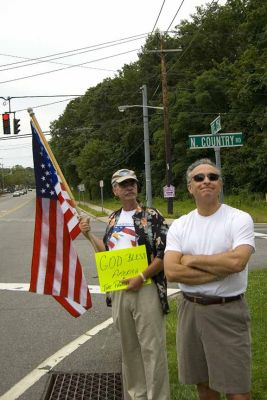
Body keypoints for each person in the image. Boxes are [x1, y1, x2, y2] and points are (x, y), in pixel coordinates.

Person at [164, 158, 255, 400]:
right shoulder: (180, 225)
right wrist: (220, 267)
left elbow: (238, 262)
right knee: (203, 385)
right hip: (190, 310)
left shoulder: (239, 219)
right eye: (199, 178)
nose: (206, 181)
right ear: (190, 187)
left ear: (220, 184)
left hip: (228, 311)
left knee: (237, 390)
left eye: (213, 177)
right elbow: (172, 271)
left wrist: (192, 260)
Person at [79, 168, 170, 400]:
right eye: (124, 184)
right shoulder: (113, 218)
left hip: (146, 287)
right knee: (129, 350)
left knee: (152, 349)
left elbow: (163, 254)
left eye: (132, 183)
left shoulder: (152, 216)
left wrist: (141, 276)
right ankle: (136, 395)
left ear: (137, 187)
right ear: (115, 190)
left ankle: (157, 397)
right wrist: (89, 236)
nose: (129, 187)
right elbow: (107, 253)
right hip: (120, 290)